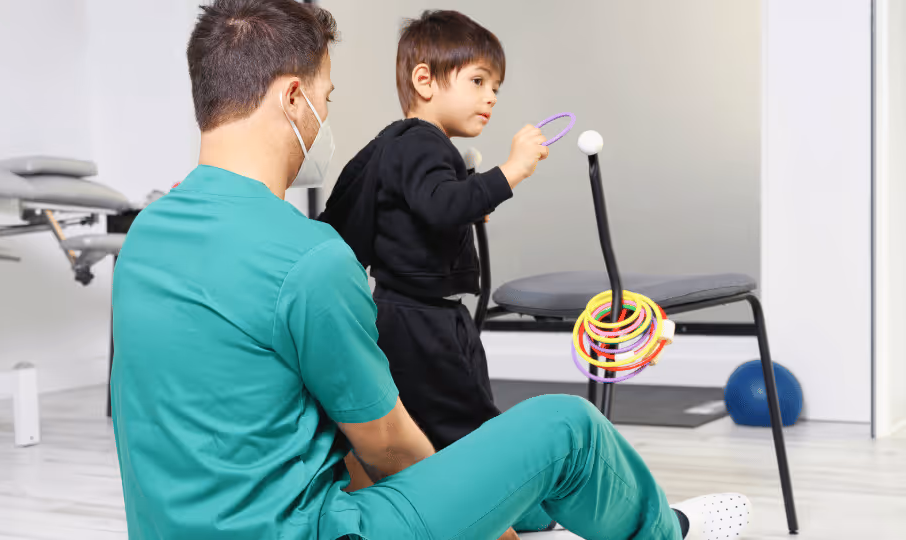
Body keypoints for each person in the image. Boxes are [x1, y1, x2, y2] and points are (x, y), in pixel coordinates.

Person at [109, 1, 753, 539]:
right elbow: (388, 447)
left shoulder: (144, 238)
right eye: (326, 99)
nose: (327, 118)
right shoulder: (307, 259)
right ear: (295, 97)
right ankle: (667, 533)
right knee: (567, 427)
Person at [316, 10, 552, 533]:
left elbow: (417, 208)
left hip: (401, 315)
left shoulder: (394, 145)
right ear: (424, 80)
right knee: (467, 419)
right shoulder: (423, 141)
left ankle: (468, 499)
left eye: (496, 86)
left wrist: (466, 200)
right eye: (477, 81)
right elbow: (440, 206)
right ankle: (505, 502)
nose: (491, 97)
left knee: (434, 417)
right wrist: (511, 170)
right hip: (424, 319)